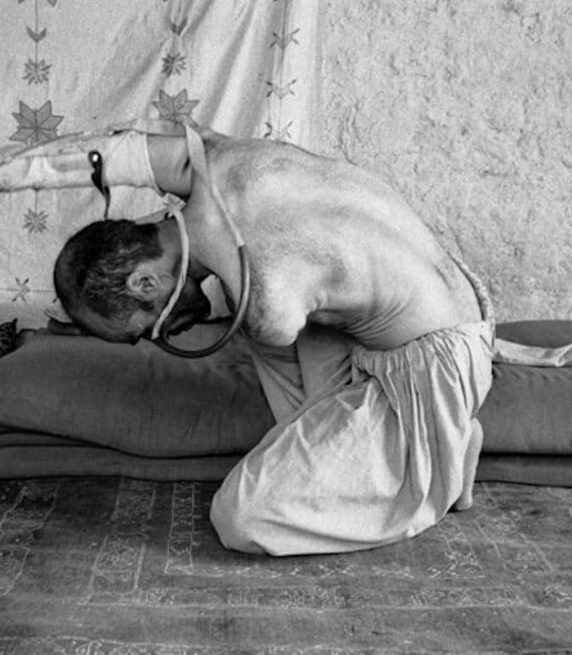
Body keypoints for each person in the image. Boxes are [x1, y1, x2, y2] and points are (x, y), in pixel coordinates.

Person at [53, 125, 494, 556]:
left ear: (146, 282)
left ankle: (437, 460)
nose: (162, 336)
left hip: (434, 367)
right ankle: (408, 446)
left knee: (240, 518)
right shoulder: (227, 162)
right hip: (458, 324)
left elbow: (277, 327)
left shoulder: (262, 293)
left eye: (144, 331)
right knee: (269, 322)